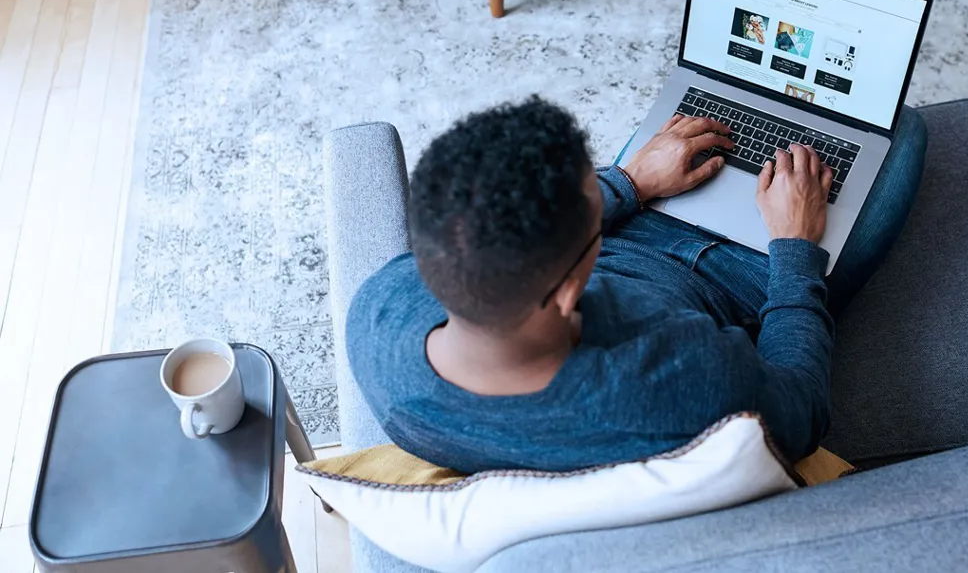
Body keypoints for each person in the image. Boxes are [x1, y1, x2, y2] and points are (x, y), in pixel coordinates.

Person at [347, 96, 927, 473]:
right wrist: (797, 245)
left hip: (635, 230)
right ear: (570, 289)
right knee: (902, 129)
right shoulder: (679, 385)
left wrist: (629, 181)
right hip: (746, 281)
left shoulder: (377, 313)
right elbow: (800, 412)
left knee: (684, 127)